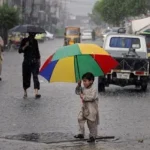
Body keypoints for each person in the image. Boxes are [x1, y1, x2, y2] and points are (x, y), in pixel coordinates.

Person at [74, 72, 99, 143]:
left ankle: (92, 136)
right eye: (83, 81)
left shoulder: (94, 89)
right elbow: (77, 92)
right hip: (84, 108)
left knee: (91, 123)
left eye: (85, 81)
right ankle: (81, 133)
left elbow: (92, 97)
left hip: (92, 109)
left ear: (91, 81)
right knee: (80, 118)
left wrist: (83, 96)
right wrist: (78, 85)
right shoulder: (83, 88)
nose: (84, 83)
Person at [19, 32, 41, 99]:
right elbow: (19, 51)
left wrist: (39, 60)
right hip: (26, 62)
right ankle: (25, 93)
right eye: (32, 35)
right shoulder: (24, 40)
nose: (33, 36)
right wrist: (25, 45)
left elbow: (37, 52)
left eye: (34, 35)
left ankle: (36, 93)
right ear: (29, 34)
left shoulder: (35, 41)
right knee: (25, 77)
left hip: (34, 62)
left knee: (35, 77)